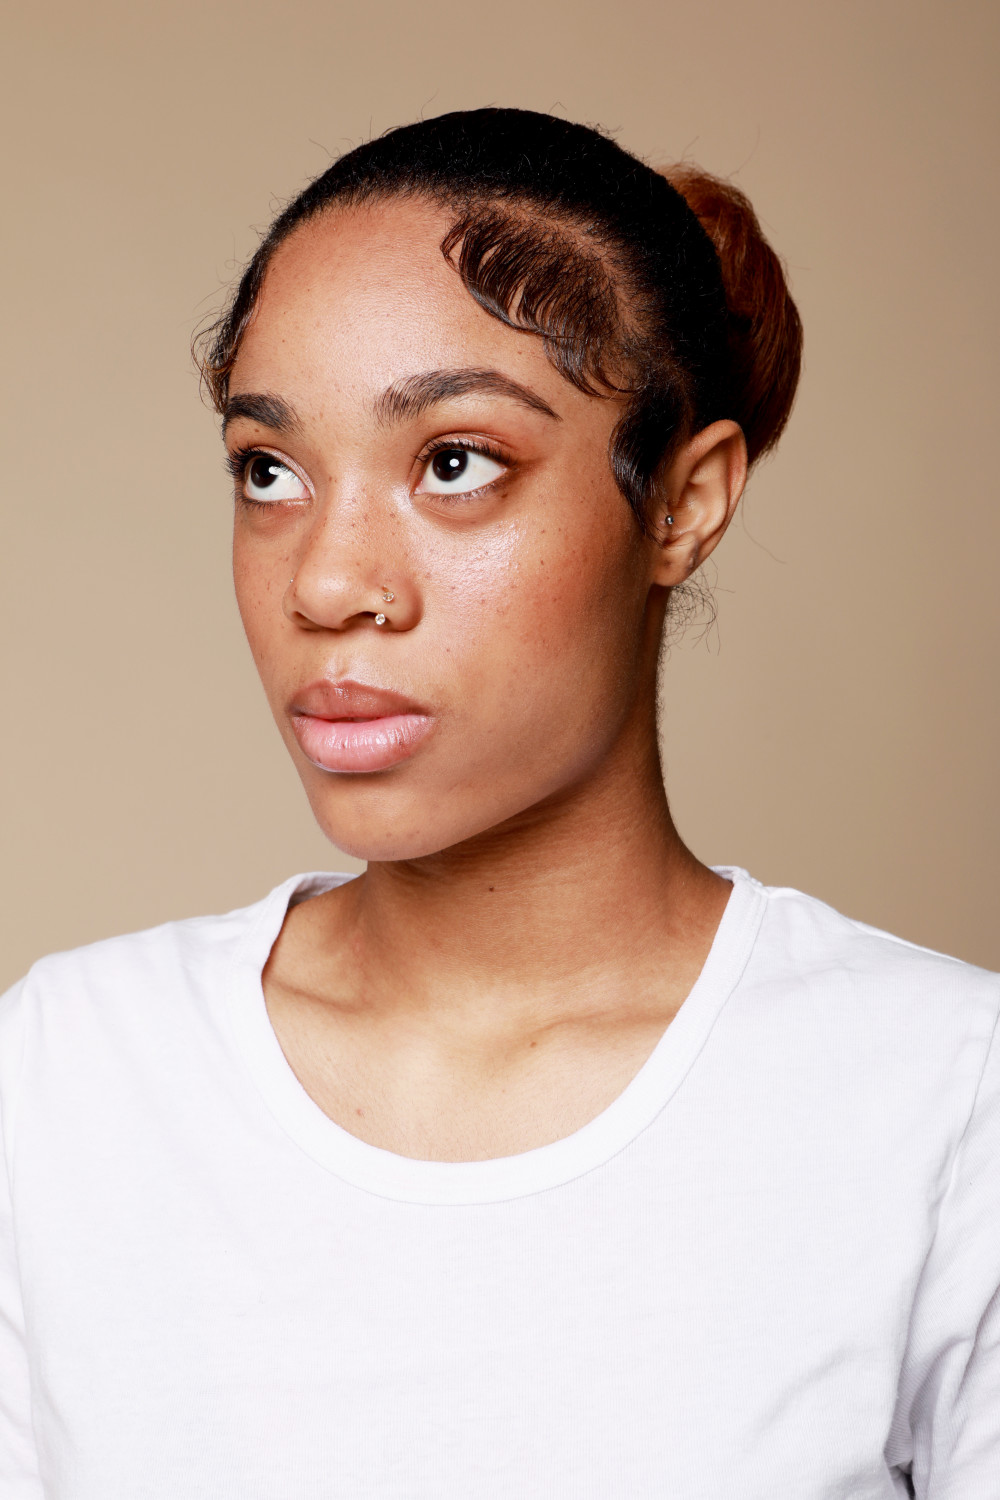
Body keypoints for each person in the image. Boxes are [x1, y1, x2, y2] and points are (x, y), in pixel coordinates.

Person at [1, 108, 996, 1499]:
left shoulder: (944, 1100)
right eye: (269, 471)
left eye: (454, 462)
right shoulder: (71, 1075)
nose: (327, 583)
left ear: (683, 504)